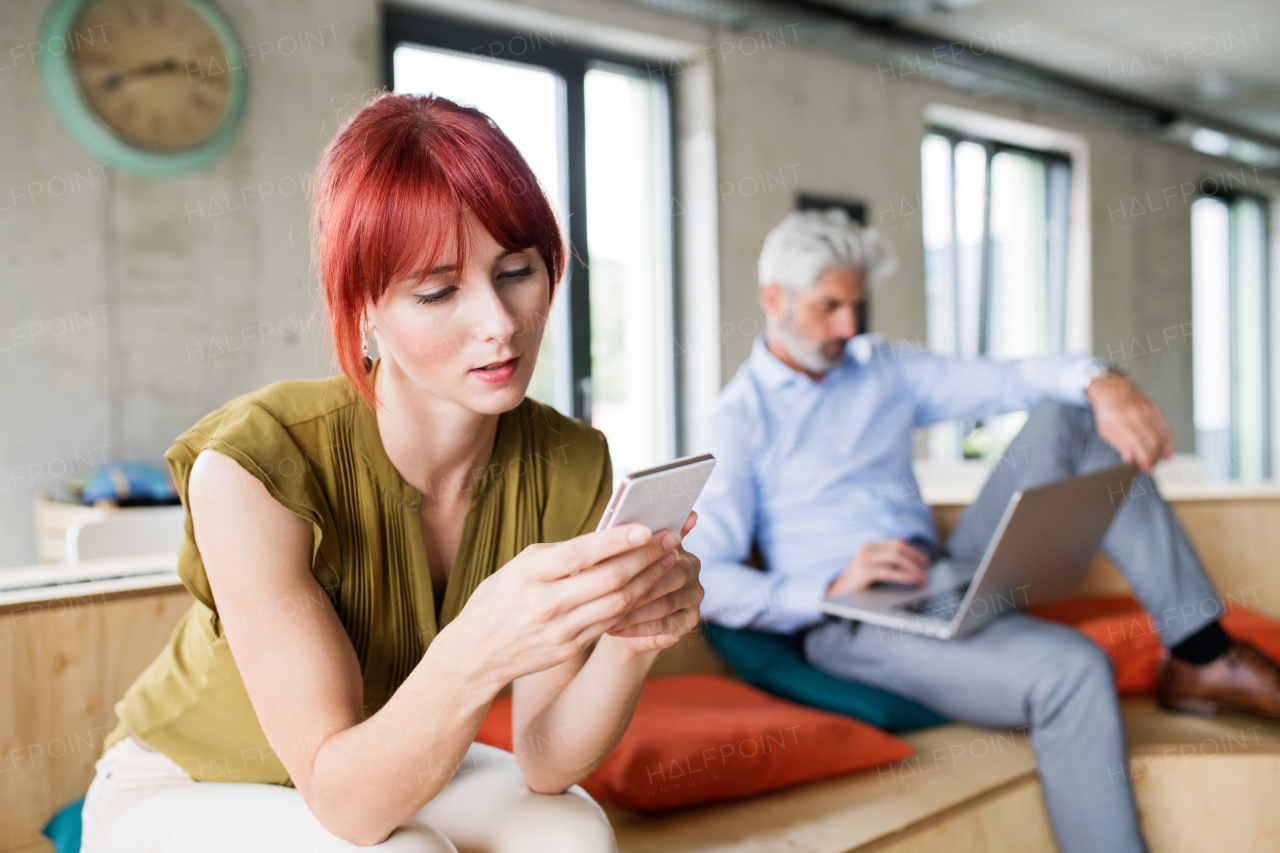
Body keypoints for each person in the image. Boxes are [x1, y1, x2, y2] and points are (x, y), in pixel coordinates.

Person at [80, 93, 705, 853]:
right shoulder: (253, 466)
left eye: (517, 271)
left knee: (572, 830)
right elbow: (344, 801)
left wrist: (630, 639)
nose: (500, 324)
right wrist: (479, 645)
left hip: (393, 756)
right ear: (365, 307)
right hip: (189, 783)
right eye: (439, 291)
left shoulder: (569, 461)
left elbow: (546, 759)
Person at [684, 207, 1280, 853]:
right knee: (1073, 668)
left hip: (948, 570)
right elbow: (707, 578)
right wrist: (827, 584)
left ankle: (1198, 648)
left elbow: (1012, 377)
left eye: (856, 305)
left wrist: (1104, 380)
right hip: (853, 622)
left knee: (1073, 408)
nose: (848, 326)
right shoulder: (736, 420)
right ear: (775, 299)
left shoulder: (880, 366)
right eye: (830, 306)